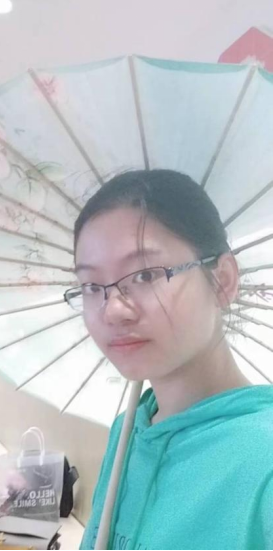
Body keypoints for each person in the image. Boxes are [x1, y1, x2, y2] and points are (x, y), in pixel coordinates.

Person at [64, 169, 273, 550]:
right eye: (92, 286)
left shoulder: (264, 461)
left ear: (223, 280)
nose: (113, 310)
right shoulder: (128, 430)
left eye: (145, 275)